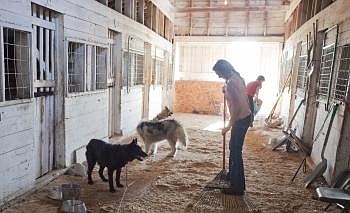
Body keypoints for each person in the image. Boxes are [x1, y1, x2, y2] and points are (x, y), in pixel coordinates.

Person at [213, 59, 251, 196]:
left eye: (219, 73)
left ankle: (238, 187)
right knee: (232, 146)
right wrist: (226, 90)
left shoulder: (232, 83)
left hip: (240, 118)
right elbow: (242, 98)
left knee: (236, 151)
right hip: (245, 116)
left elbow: (237, 107)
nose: (218, 76)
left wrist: (228, 126)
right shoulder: (237, 77)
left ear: (224, 70)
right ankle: (232, 175)